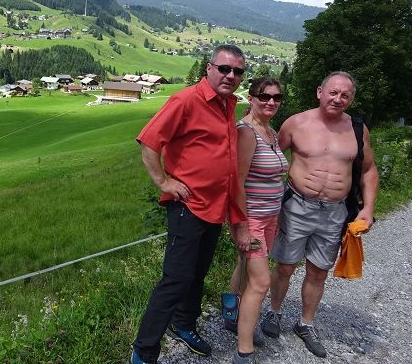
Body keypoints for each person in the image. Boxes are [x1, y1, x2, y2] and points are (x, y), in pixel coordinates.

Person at [129, 44, 248, 364]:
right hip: (188, 205)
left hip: (215, 205)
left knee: (197, 273)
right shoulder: (186, 100)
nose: (231, 75)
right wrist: (164, 182)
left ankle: (183, 325)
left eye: (238, 71)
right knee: (176, 279)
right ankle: (144, 351)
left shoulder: (228, 103)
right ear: (209, 68)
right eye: (224, 68)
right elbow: (149, 141)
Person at [260, 71, 379, 358]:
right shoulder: (296, 123)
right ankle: (274, 312)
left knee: (318, 271)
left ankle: (306, 323)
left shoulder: (357, 129)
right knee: (285, 265)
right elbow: (268, 158)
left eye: (345, 95)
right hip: (297, 206)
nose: (338, 99)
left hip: (336, 211)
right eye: (333, 92)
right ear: (319, 92)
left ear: (351, 99)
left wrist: (368, 208)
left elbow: (368, 170)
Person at [226, 77, 289, 364]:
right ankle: (244, 350)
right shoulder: (247, 132)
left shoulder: (271, 132)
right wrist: (240, 225)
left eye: (276, 97)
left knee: (247, 270)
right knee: (261, 282)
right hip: (251, 218)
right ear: (251, 98)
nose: (271, 102)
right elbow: (236, 182)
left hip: (270, 216)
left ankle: (234, 317)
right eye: (264, 96)